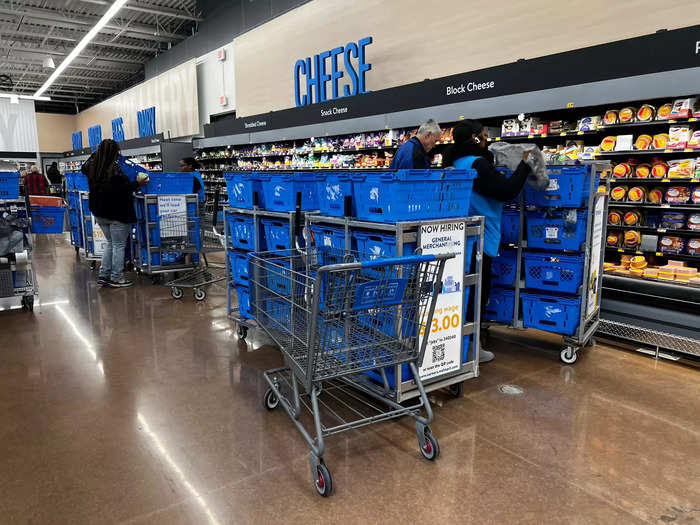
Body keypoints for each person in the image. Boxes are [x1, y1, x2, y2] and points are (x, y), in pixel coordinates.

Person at [442, 120, 532, 363]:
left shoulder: (454, 161)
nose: (487, 139)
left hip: (458, 234)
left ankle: (459, 345)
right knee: (477, 294)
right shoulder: (477, 163)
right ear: (474, 138)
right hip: (479, 236)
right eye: (483, 136)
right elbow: (506, 191)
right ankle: (470, 349)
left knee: (461, 293)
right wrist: (525, 164)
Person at [82, 139, 148, 288]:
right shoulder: (114, 170)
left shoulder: (92, 168)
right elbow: (121, 190)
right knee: (118, 245)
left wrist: (98, 152)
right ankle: (116, 277)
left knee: (111, 244)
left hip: (100, 212)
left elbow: (85, 166)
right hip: (118, 213)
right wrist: (138, 183)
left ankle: (104, 275)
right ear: (114, 153)